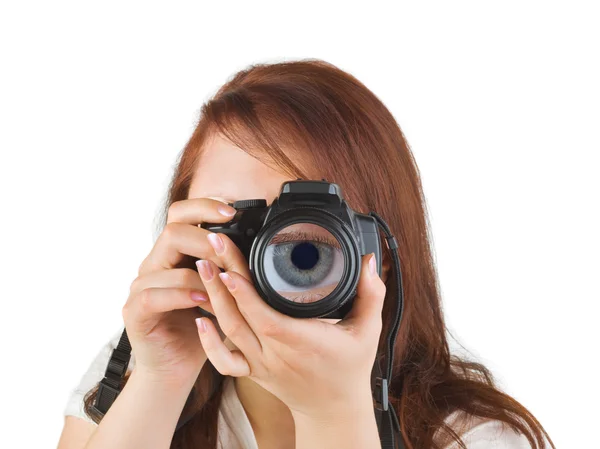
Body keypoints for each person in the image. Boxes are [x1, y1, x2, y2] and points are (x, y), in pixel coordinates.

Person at [57, 59, 554, 449]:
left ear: (376, 251)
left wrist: (334, 413)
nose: (265, 265)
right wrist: (160, 378)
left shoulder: (471, 438)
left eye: (307, 250)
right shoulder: (135, 370)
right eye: (237, 224)